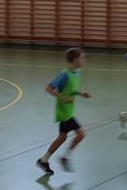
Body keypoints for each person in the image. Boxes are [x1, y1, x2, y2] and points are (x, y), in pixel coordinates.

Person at [37, 47, 90, 176]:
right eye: (82, 58)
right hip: (64, 112)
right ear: (75, 59)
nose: (84, 60)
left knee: (62, 137)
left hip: (69, 111)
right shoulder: (64, 74)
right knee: (81, 134)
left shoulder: (76, 73)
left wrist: (81, 94)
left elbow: (71, 89)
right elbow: (49, 88)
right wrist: (63, 98)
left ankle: (43, 160)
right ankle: (65, 157)